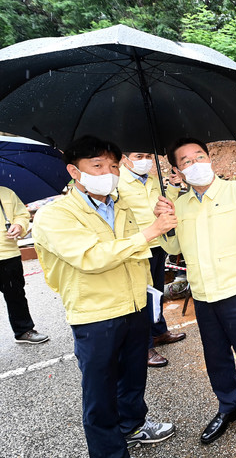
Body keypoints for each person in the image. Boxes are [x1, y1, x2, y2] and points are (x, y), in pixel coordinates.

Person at [33, 136, 178, 458]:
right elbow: (92, 257)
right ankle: (109, 451)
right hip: (95, 314)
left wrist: (162, 220)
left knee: (132, 377)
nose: (108, 172)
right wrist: (149, 231)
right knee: (99, 392)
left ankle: (133, 425)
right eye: (97, 165)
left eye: (113, 166)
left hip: (135, 305)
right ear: (74, 170)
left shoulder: (121, 205)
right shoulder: (55, 215)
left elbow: (149, 249)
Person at [154, 137, 236, 446]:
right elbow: (173, 246)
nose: (195, 163)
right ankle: (229, 407)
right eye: (186, 161)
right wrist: (161, 222)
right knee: (216, 357)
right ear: (177, 170)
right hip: (203, 295)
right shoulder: (181, 204)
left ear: (210, 159)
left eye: (199, 156)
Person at [118, 151, 185, 368]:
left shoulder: (154, 180)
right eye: (139, 156)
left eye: (147, 155)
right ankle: (144, 346)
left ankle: (159, 331)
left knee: (156, 291)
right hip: (136, 245)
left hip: (158, 243)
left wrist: (174, 187)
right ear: (124, 158)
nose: (145, 160)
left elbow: (167, 205)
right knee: (141, 297)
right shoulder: (117, 181)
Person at [0, 186, 48, 344]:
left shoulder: (6, 193)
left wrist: (19, 225)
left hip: (8, 254)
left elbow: (22, 213)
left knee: (16, 295)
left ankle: (23, 331)